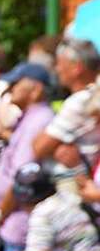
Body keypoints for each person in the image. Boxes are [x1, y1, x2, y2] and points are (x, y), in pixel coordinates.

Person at [0, 63, 54, 251]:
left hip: (20, 224)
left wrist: (1, 212)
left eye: (16, 84)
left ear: (36, 90)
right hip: (15, 221)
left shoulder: (39, 120)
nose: (10, 89)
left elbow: (23, 175)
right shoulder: (31, 118)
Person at [33, 38, 100, 170]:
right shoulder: (91, 96)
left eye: (59, 63)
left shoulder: (80, 101)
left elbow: (39, 148)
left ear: (77, 67)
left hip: (70, 184)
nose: (57, 69)